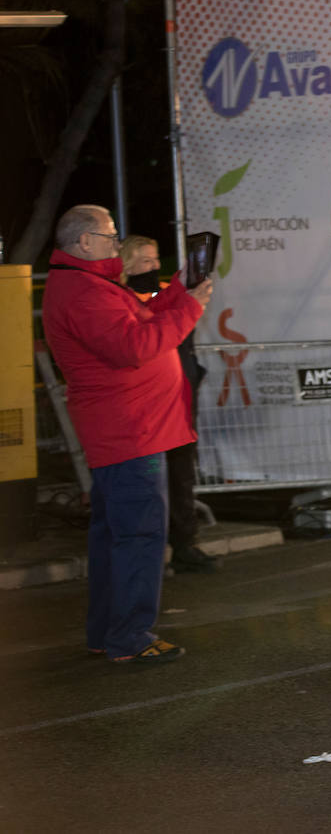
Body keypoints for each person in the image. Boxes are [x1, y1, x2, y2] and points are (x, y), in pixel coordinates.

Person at [42, 205, 212, 664]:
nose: (118, 244)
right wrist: (191, 307)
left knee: (116, 536)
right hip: (130, 432)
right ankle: (130, 637)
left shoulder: (86, 285)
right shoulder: (83, 292)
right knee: (138, 536)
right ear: (84, 243)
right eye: (111, 236)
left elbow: (141, 318)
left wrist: (179, 291)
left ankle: (109, 632)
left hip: (128, 429)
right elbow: (135, 346)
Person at [120, 236, 220, 574]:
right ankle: (149, 548)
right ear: (127, 264)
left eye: (155, 259)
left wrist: (188, 284)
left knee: (180, 472)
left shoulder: (162, 293)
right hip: (148, 403)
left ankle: (184, 542)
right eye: (145, 260)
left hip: (179, 396)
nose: (153, 266)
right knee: (149, 478)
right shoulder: (123, 302)